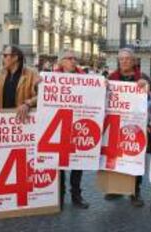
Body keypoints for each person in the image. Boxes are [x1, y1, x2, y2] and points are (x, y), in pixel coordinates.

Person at [106, 48, 151, 207]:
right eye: (121, 59)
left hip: (135, 125)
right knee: (115, 157)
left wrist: (146, 86)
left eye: (127, 59)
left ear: (133, 61)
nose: (124, 62)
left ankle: (135, 192)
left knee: (134, 158)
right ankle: (116, 189)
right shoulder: (111, 78)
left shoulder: (142, 77)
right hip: (115, 124)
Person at [54, 50, 90, 209]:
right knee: (58, 163)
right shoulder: (50, 78)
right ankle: (59, 196)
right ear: (61, 62)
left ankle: (76, 195)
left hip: (78, 126)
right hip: (58, 126)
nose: (73, 61)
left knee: (78, 162)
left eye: (75, 58)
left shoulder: (86, 78)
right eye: (69, 58)